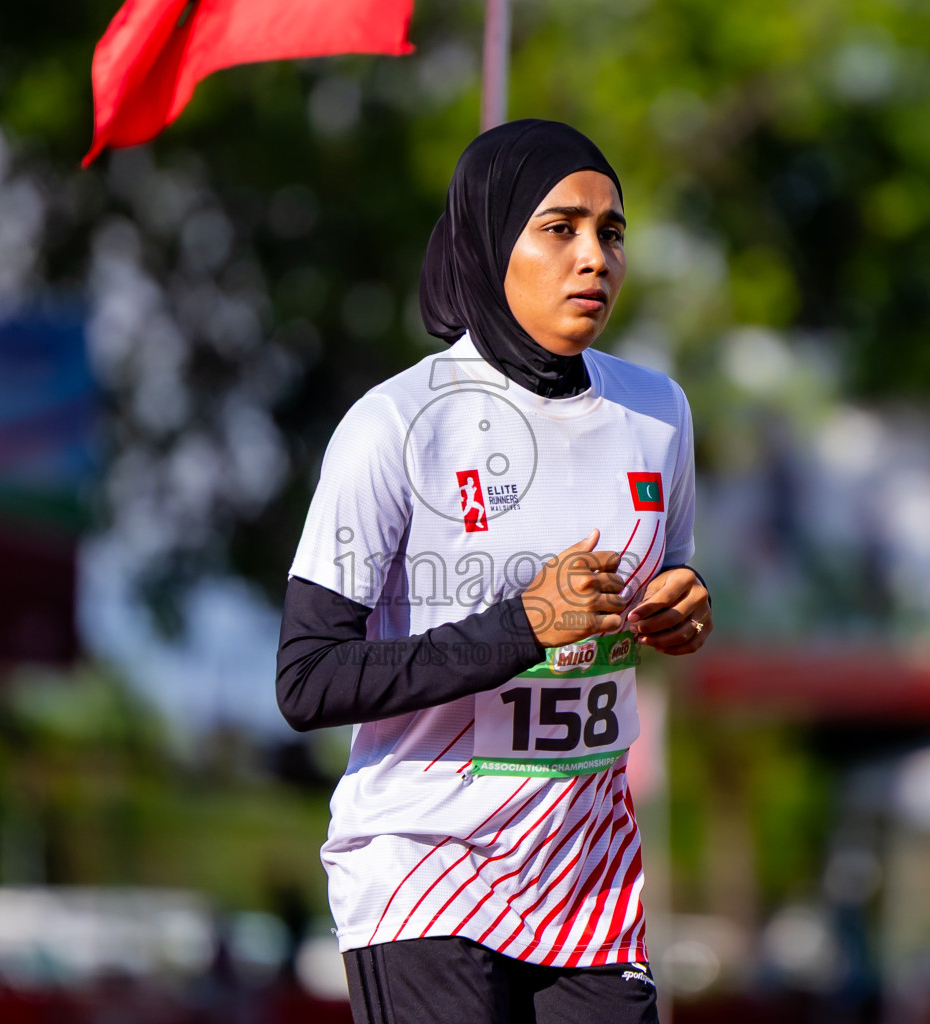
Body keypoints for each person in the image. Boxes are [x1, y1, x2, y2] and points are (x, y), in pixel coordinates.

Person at [276, 119, 711, 1024]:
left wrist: (683, 608)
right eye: (560, 229)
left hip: (589, 879)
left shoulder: (656, 412)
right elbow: (307, 679)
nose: (594, 258)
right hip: (424, 867)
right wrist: (523, 625)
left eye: (612, 232)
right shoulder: (396, 423)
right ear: (489, 243)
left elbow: (668, 583)